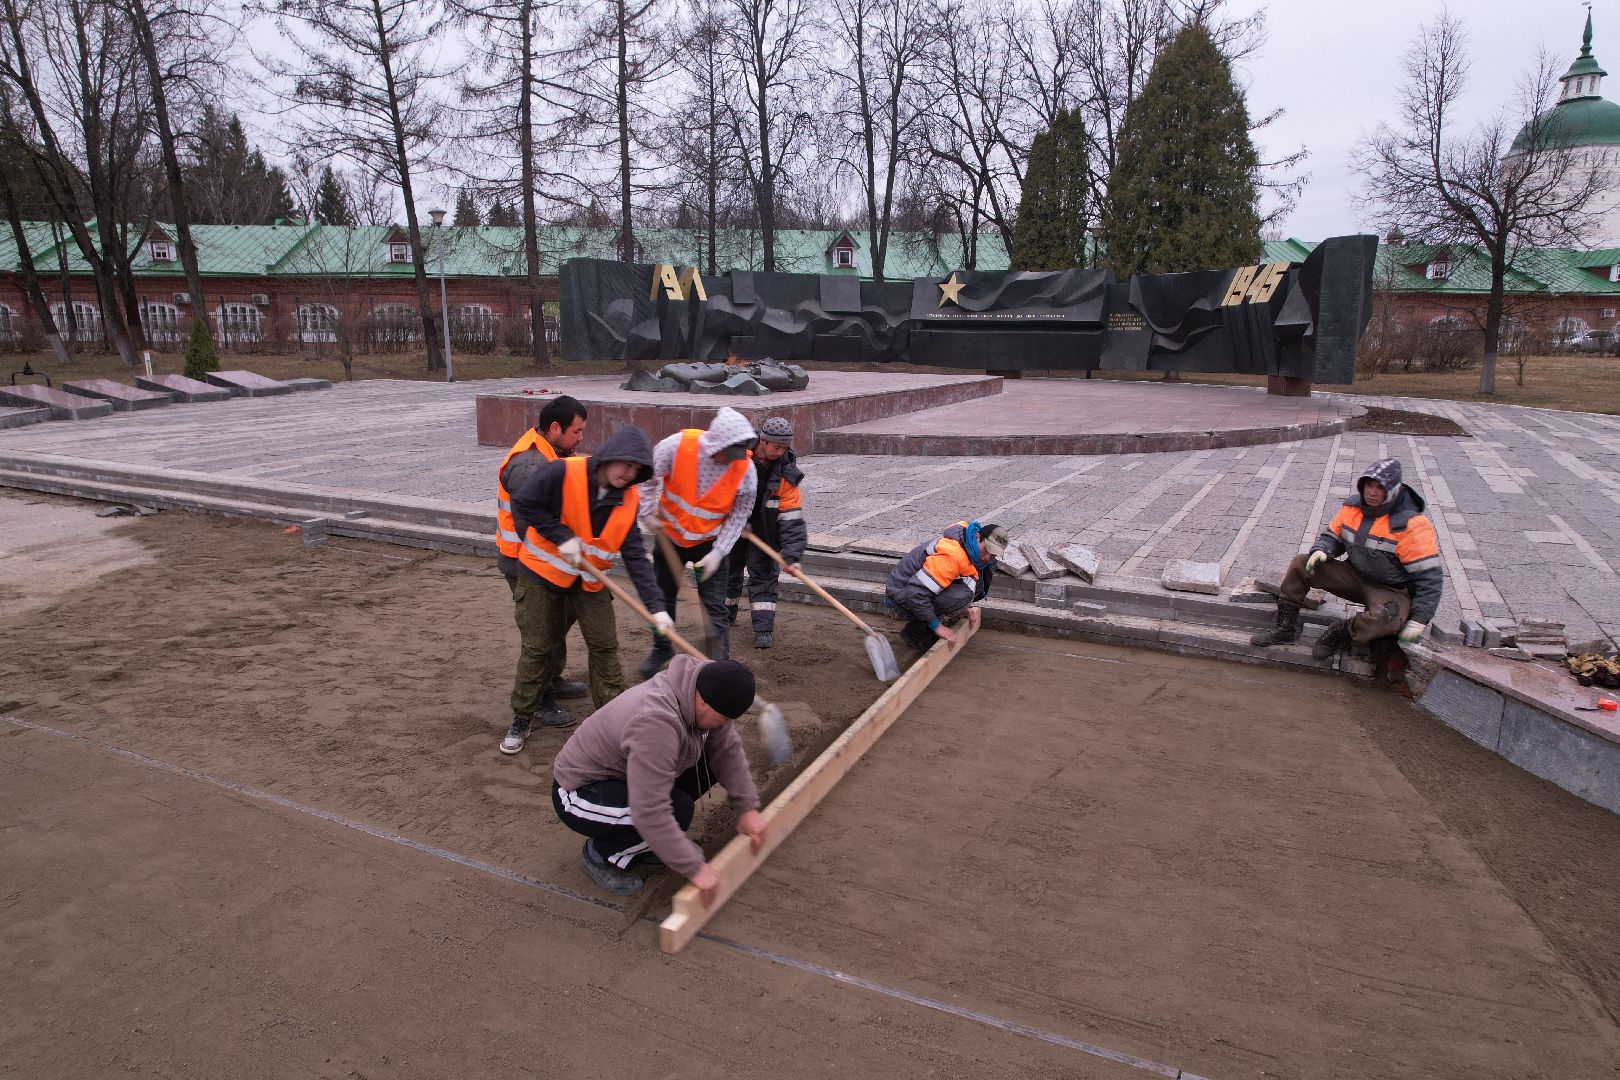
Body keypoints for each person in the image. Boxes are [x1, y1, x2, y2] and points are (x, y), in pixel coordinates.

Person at [499, 425, 674, 755]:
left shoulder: (628, 500)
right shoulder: (562, 472)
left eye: (637, 470)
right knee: (539, 647)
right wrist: (560, 536)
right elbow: (524, 503)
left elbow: (636, 558)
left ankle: (615, 719)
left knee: (605, 646)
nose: (628, 473)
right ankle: (522, 715)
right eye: (625, 464)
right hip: (542, 575)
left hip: (590, 582)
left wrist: (658, 608)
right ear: (610, 456)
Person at [552, 656, 767, 899]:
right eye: (724, 718)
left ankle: (647, 842)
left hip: (626, 776)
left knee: (710, 763)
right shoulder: (655, 721)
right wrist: (694, 867)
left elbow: (727, 751)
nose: (726, 725)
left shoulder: (706, 687)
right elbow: (650, 810)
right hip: (579, 794)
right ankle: (601, 855)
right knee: (677, 813)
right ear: (704, 701)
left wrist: (748, 808)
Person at [1250, 457, 1444, 659]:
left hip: (1391, 589)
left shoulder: (1412, 525)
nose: (1372, 492)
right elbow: (1333, 536)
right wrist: (1323, 549)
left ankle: (1341, 630)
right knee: (1302, 564)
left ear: (1394, 490)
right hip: (1355, 575)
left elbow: (1430, 579)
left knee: (1386, 619)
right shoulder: (1352, 508)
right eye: (1369, 485)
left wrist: (1420, 618)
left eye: (1380, 487)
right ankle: (1285, 629)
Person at [637, 407, 760, 676]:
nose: (731, 459)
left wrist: (719, 553)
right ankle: (662, 647)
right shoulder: (676, 446)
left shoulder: (745, 470)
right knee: (661, 598)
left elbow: (740, 515)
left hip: (710, 542)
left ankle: (718, 667)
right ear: (718, 443)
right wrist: (646, 513)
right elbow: (647, 476)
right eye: (728, 453)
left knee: (715, 607)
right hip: (669, 537)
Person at [496, 395, 590, 729]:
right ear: (555, 428)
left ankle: (553, 680)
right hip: (525, 562)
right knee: (541, 631)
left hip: (544, 559)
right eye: (577, 431)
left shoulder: (556, 450)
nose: (580, 438)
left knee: (557, 622)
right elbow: (532, 524)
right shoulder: (529, 465)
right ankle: (538, 700)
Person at [726, 416, 807, 650]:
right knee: (729, 571)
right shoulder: (738, 457)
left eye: (785, 447)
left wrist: (792, 556)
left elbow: (792, 518)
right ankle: (725, 616)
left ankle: (763, 629)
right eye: (776, 447)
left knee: (763, 576)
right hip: (733, 524)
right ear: (763, 441)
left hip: (764, 531)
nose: (780, 452)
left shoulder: (787, 473)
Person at [884, 520, 1009, 652]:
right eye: (986, 550)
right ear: (978, 537)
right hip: (898, 601)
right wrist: (937, 626)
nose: (988, 557)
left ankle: (927, 622)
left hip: (911, 593)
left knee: (976, 581)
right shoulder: (953, 554)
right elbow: (915, 593)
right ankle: (917, 632)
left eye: (993, 554)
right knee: (965, 595)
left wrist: (960, 607)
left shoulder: (968, 546)